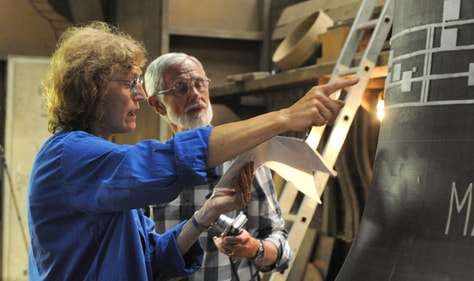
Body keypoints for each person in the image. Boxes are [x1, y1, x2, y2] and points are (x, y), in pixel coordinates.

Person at [27, 21, 358, 281]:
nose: (139, 95)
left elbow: (151, 258)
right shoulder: (68, 157)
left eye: (201, 84)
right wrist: (285, 116)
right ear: (92, 88)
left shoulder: (102, 163)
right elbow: (168, 160)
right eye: (130, 82)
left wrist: (207, 214)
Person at [144, 53, 292, 280]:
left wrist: (254, 248)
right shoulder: (149, 168)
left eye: (199, 84)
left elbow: (279, 242)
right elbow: (140, 251)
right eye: (181, 87)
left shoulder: (244, 156)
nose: (195, 94)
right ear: (157, 105)